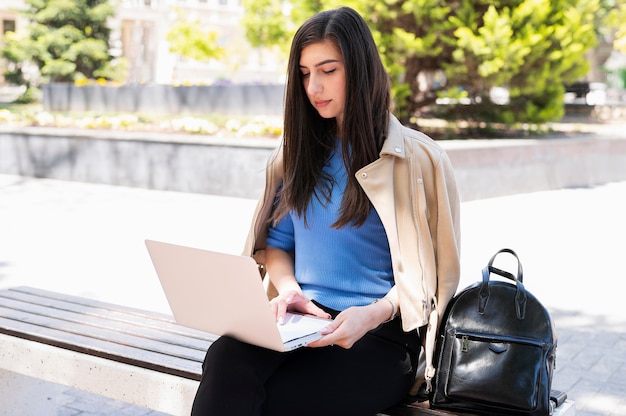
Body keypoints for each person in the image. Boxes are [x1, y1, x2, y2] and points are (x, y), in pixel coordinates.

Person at [191, 6, 460, 416]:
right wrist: (289, 290)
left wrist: (372, 314)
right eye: (304, 73)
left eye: (328, 69)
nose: (313, 86)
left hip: (379, 336)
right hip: (304, 324)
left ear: (360, 68)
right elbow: (277, 245)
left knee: (276, 399)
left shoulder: (418, 159)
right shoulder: (297, 154)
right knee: (226, 358)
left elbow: (434, 277)